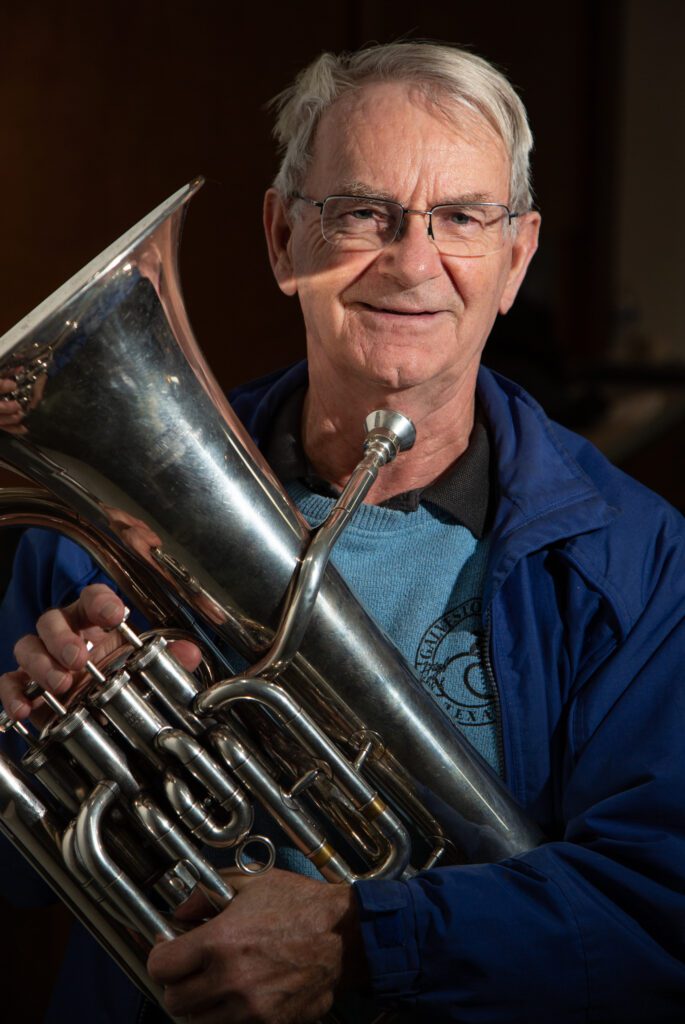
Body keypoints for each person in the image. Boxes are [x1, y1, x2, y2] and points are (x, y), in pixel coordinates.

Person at [1, 40, 685, 1024]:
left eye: (461, 218)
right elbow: (20, 878)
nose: (413, 262)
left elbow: (658, 906)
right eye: (365, 212)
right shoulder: (101, 516)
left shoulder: (637, 556)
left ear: (515, 258)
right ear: (284, 239)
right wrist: (43, 743)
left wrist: (354, 941)